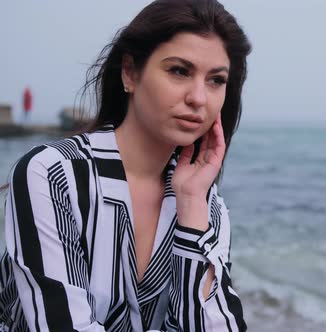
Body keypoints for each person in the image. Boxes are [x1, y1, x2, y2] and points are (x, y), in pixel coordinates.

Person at [0, 0, 251, 331]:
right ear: (130, 73)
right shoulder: (55, 174)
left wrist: (191, 207)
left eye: (216, 80)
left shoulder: (209, 209)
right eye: (179, 71)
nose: (198, 98)